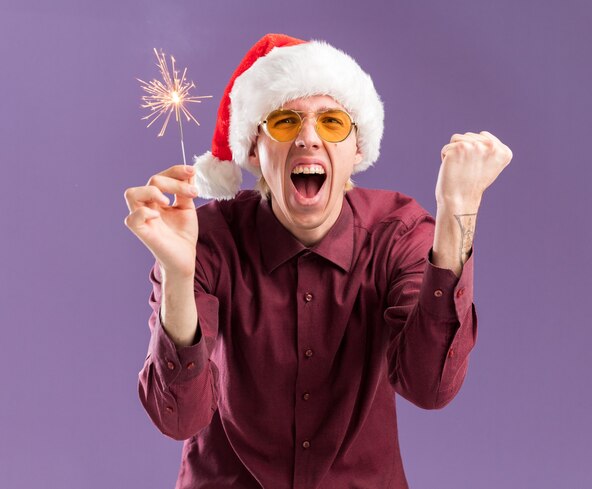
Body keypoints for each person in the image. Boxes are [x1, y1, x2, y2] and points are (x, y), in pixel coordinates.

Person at [124, 33, 512, 489]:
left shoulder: (398, 233)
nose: (308, 138)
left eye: (331, 123)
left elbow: (430, 388)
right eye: (286, 122)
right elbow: (179, 419)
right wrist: (178, 273)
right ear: (253, 150)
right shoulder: (203, 239)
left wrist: (457, 213)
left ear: (358, 149)